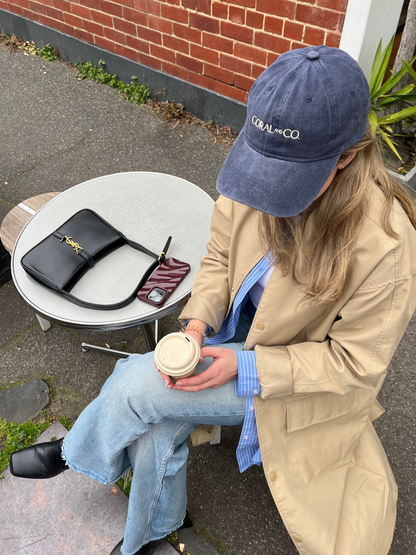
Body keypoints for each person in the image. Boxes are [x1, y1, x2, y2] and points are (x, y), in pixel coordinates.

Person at [9, 45, 416, 555]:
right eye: (264, 169)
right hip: (233, 343)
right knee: (158, 419)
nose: (264, 194)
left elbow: (354, 365)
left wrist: (243, 366)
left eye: (288, 181)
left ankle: (79, 451)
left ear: (348, 158)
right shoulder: (255, 172)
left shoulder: (388, 248)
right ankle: (152, 536)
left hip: (297, 382)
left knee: (137, 386)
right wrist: (198, 323)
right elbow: (220, 258)